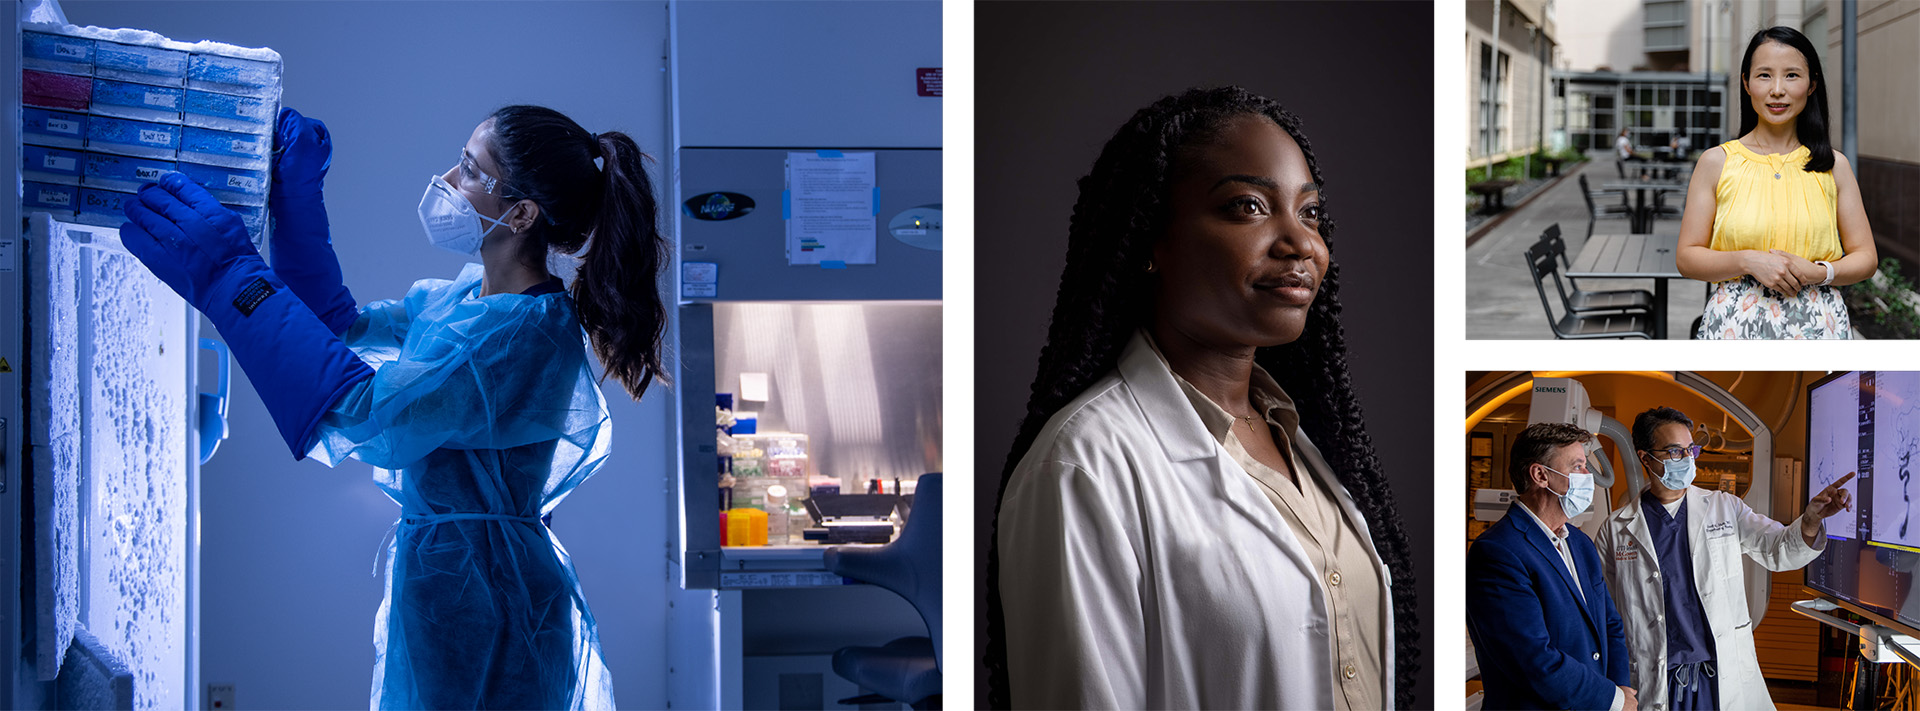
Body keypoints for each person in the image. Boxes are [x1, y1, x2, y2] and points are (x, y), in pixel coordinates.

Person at [116, 105, 668, 709]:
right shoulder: (466, 297)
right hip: (452, 580)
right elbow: (338, 329)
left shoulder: (522, 334)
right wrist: (297, 203)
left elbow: (366, 413)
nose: (447, 182)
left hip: (488, 602)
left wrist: (231, 280)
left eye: (468, 170)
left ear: (522, 212)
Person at [983, 87, 1420, 710]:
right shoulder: (1084, 467)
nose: (1301, 244)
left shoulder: (1301, 440)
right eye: (1248, 206)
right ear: (1151, 240)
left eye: (1311, 213)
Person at [1593, 407, 1852, 711]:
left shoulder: (1724, 508)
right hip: (1653, 678)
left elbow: (1778, 549)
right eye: (1675, 451)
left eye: (1691, 449)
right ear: (1645, 457)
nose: (1687, 459)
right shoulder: (1616, 529)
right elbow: (1605, 612)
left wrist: (1809, 521)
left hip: (1718, 675)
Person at [1676, 26, 1876, 339]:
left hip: (1819, 328)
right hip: (1733, 329)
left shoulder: (1834, 166)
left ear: (1812, 85)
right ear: (1746, 83)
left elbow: (1866, 258)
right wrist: (1747, 260)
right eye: (1765, 75)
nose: (1777, 90)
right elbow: (1687, 258)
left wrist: (1820, 272)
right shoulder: (1716, 162)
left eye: (1792, 75)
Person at [1467, 423, 1634, 711]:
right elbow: (1533, 659)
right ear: (1541, 475)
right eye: (1578, 466)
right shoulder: (1497, 553)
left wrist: (1619, 691)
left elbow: (1610, 625)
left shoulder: (1579, 543)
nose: (1588, 476)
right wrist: (1612, 700)